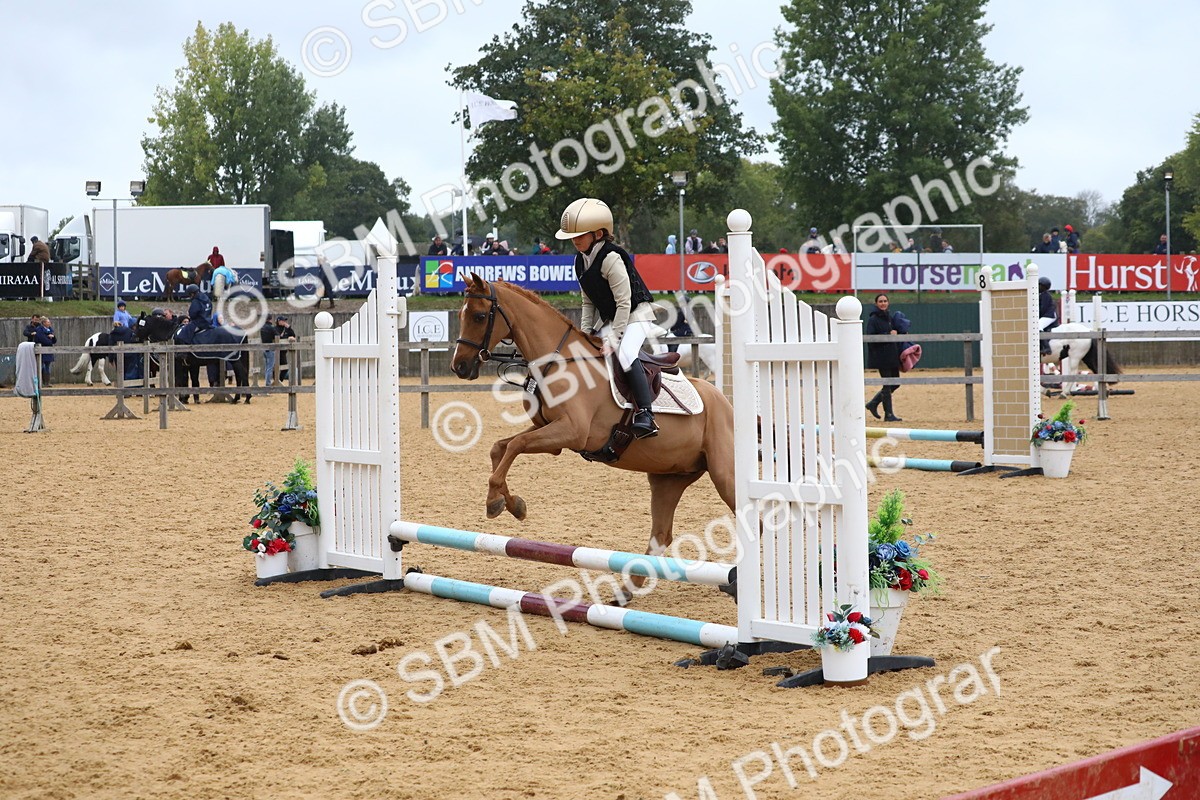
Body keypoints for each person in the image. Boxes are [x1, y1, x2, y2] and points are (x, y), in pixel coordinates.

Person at [555, 197, 661, 439]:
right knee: (586, 354)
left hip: (635, 315)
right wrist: (585, 335)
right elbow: (588, 301)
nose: (575, 240)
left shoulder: (611, 257)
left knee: (625, 354)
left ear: (599, 233)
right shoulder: (580, 260)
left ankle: (646, 414)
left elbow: (624, 302)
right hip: (611, 318)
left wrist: (613, 338)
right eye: (573, 236)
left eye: (580, 235)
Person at [865, 294, 904, 422]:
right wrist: (887, 334)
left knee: (895, 383)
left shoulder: (890, 317)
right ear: (876, 303)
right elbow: (870, 337)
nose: (883, 303)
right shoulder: (873, 319)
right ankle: (889, 414)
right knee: (887, 385)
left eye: (885, 301)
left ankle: (873, 403)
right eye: (880, 301)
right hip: (882, 357)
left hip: (892, 355)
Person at [1037, 276, 1058, 356]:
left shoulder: (1046, 295)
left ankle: (1047, 348)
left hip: (1049, 315)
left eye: (1040, 285)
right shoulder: (1039, 295)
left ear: (1044, 287)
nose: (1038, 287)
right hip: (1046, 315)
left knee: (1037, 326)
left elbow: (1042, 308)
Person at [33, 316, 56, 385]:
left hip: (48, 351)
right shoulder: (39, 330)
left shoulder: (50, 330)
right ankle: (41, 382)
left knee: (47, 366)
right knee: (41, 366)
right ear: (44, 323)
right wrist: (50, 341)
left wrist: (53, 337)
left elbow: (54, 340)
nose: (49, 323)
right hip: (41, 350)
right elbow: (43, 340)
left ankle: (47, 382)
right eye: (48, 322)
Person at [275, 315, 298, 383]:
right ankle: (276, 381)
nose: (284, 322)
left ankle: (280, 380)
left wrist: (289, 328)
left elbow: (293, 335)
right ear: (279, 321)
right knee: (275, 367)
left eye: (285, 321)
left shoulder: (287, 329)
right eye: (283, 321)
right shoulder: (275, 329)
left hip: (283, 351)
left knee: (285, 368)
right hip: (276, 351)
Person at [260, 314, 278, 386]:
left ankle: (267, 382)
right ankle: (268, 384)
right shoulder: (271, 327)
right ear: (270, 319)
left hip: (264, 348)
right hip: (270, 348)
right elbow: (277, 335)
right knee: (270, 367)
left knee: (267, 367)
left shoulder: (262, 327)